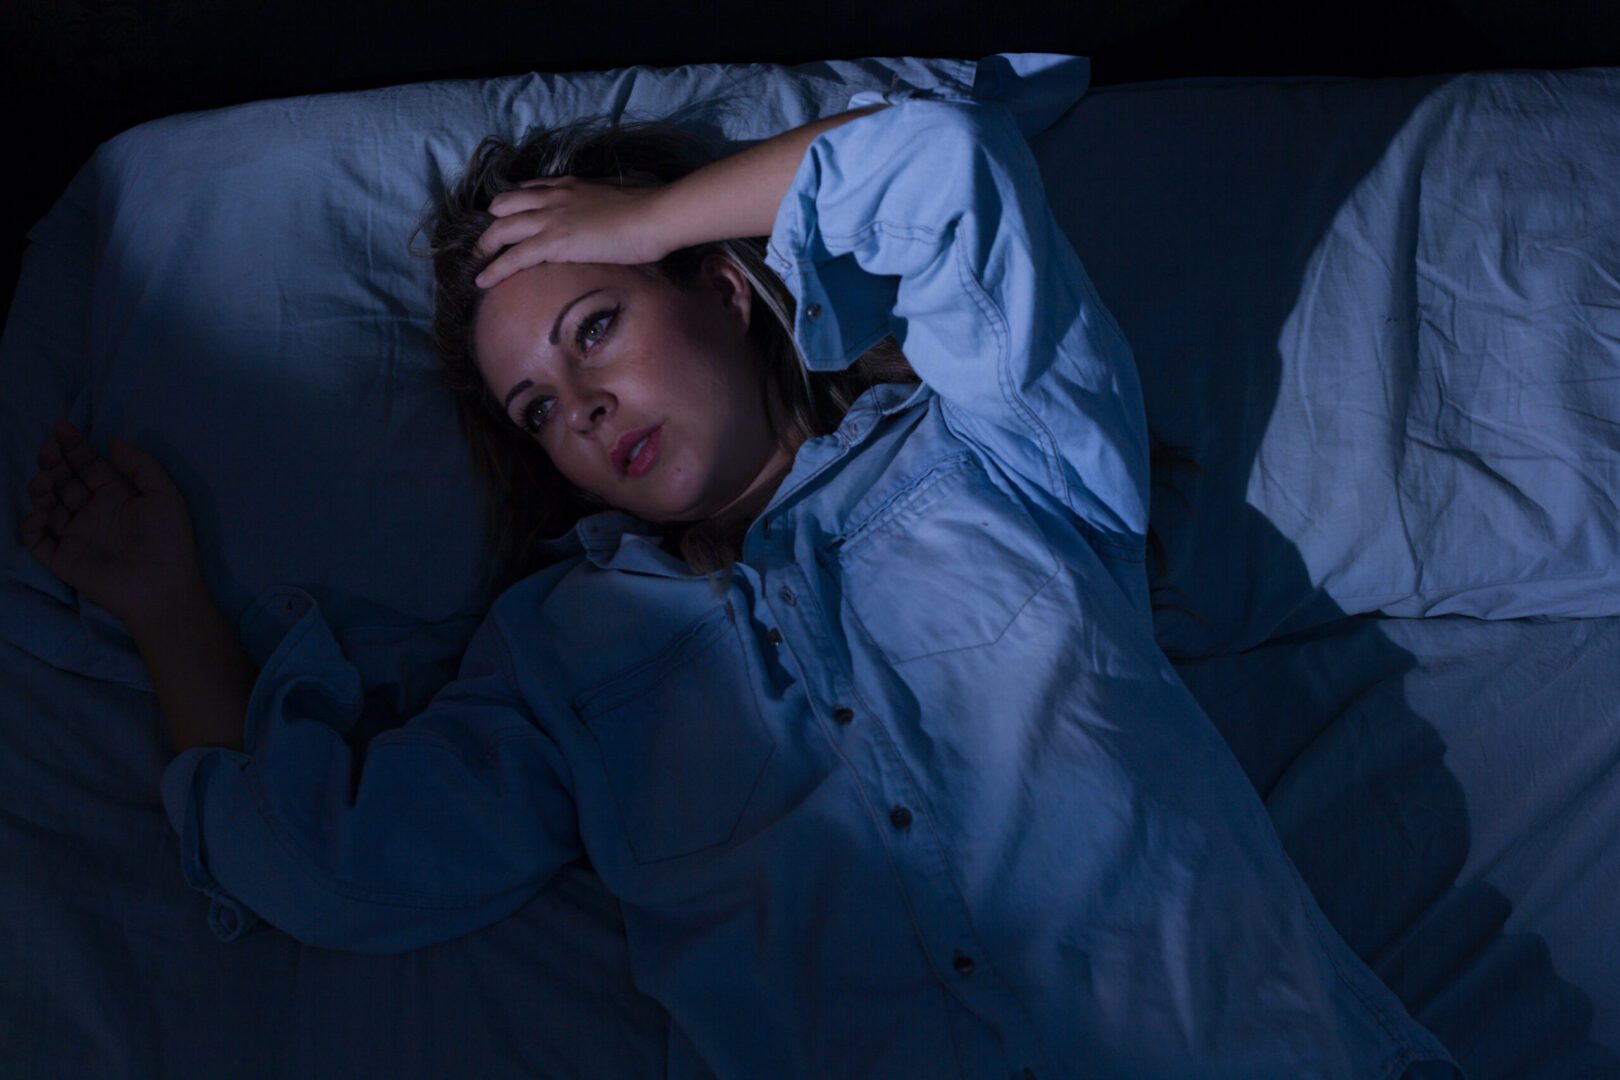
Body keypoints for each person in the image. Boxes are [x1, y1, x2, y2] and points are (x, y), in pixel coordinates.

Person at [19, 75, 1461, 1077]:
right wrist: (167, 610)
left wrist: (640, 217)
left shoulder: (996, 449)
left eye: (593, 324)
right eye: (533, 407)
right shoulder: (568, 649)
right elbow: (330, 866)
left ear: (721, 287)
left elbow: (944, 165)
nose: (575, 410)